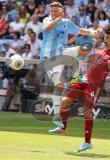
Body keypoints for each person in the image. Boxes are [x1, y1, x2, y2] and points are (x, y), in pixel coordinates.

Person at [49, 29, 110, 152]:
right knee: (65, 101)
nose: (106, 39)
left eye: (108, 37)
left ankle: (87, 142)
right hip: (83, 80)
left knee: (87, 112)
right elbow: (91, 67)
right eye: (105, 37)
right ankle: (63, 128)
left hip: (94, 86)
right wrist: (80, 77)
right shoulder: (99, 50)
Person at [41, 1, 102, 132]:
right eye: (52, 11)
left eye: (56, 11)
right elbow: (48, 28)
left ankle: (76, 78)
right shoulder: (47, 20)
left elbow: (80, 30)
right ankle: (56, 117)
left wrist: (93, 33)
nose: (53, 13)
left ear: (62, 11)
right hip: (50, 59)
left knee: (82, 50)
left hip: (62, 52)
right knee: (60, 86)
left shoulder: (66, 23)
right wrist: (58, 18)